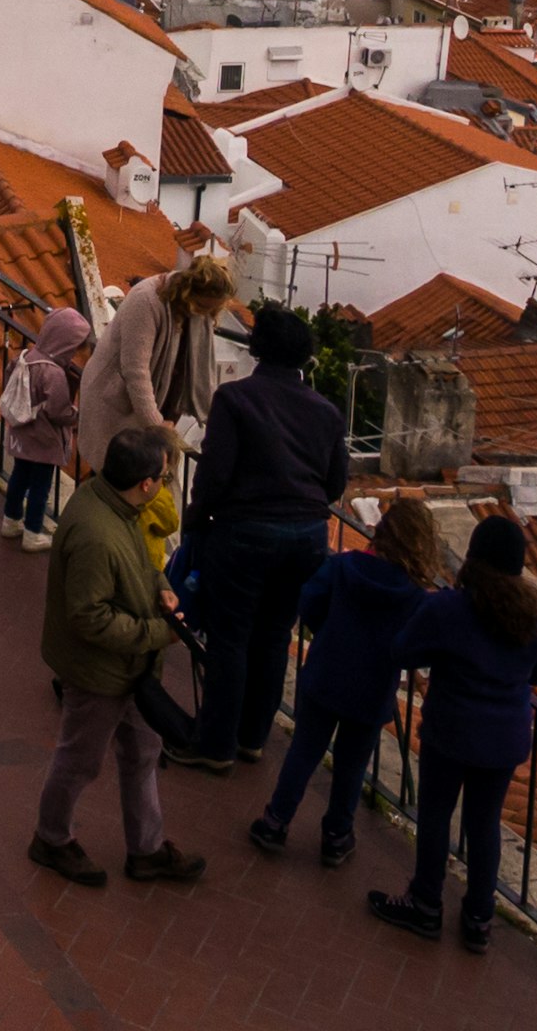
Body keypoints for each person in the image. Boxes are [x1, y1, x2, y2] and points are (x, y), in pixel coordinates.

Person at [170, 302, 351, 772]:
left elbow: (214, 476)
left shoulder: (235, 399)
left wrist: (194, 522)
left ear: (257, 349)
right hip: (307, 537)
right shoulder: (328, 413)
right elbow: (334, 485)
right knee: (274, 637)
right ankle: (253, 738)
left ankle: (215, 746)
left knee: (230, 639)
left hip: (245, 533)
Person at [373, 512, 537, 952]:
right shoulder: (535, 620)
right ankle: (478, 919)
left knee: (437, 817)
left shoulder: (449, 607)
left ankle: (425, 904)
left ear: (473, 558)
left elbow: (403, 650)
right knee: (484, 826)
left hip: (452, 729)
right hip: (503, 741)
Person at [28, 424, 204, 890]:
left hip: (127, 667)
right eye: (164, 478)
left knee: (143, 751)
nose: (165, 485)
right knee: (79, 759)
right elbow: (90, 618)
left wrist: (162, 588)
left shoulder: (112, 501)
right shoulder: (96, 534)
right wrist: (156, 633)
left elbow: (141, 561)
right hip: (99, 672)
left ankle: (146, 850)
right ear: (145, 483)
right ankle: (50, 838)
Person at [249, 494, 446, 865]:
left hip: (326, 674)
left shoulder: (343, 567)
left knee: (304, 751)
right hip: (372, 689)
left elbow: (309, 601)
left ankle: (275, 821)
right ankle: (337, 836)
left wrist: (329, 632)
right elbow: (412, 647)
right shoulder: (416, 597)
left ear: (380, 533)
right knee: (351, 766)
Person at [74, 252, 236, 473]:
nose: (205, 315)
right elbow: (135, 370)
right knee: (113, 475)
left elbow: (197, 369)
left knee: (137, 479)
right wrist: (157, 427)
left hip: (157, 406)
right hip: (115, 402)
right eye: (202, 306)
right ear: (189, 292)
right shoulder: (146, 300)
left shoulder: (198, 310)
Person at [1, 306, 88, 548]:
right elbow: (58, 410)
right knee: (40, 486)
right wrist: (77, 417)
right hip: (44, 439)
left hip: (22, 433)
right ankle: (32, 531)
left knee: (19, 477)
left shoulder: (25, 358)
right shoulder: (54, 373)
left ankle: (10, 520)